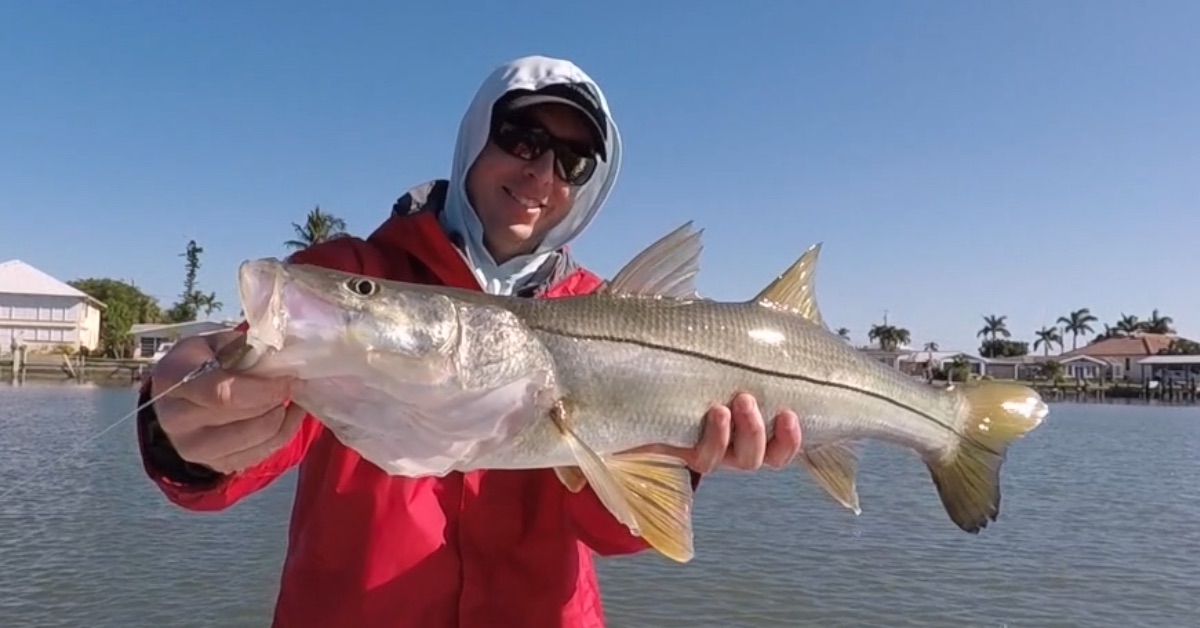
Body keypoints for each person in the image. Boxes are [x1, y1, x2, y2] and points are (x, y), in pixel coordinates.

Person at [138, 55, 803, 628]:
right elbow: (241, 426)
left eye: (572, 161)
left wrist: (680, 461)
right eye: (522, 138)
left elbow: (604, 530)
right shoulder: (353, 273)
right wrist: (181, 428)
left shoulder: (608, 309)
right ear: (474, 138)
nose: (542, 174)